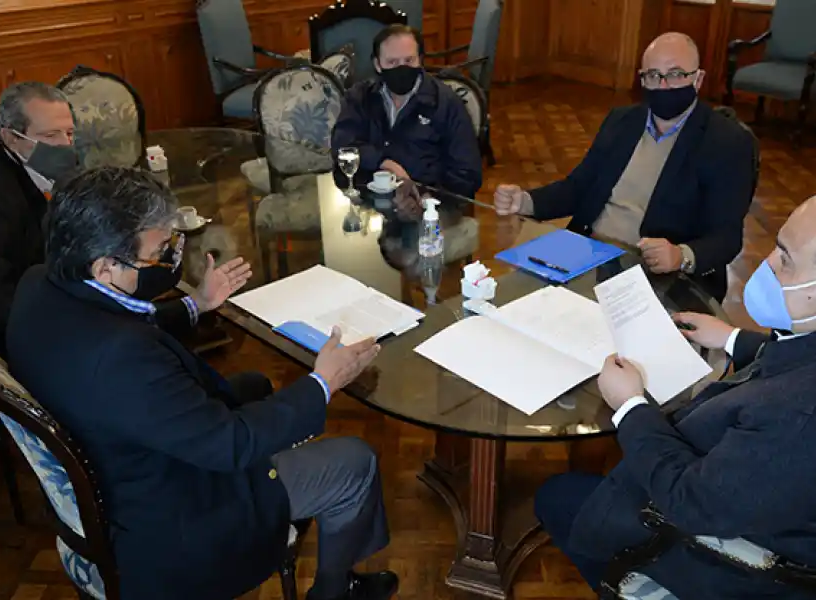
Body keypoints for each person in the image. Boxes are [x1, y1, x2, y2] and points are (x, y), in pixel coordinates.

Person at [6, 167, 397, 600]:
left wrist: (197, 305)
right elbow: (228, 445)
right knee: (354, 462)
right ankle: (333, 592)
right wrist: (323, 382)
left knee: (253, 384)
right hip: (176, 523)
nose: (173, 257)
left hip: (121, 464)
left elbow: (123, 320)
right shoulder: (119, 358)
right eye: (159, 250)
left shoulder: (39, 284)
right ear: (106, 267)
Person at [534, 195, 816, 599]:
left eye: (786, 258)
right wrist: (733, 338)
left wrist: (631, 406)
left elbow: (690, 503)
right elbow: (796, 360)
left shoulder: (799, 420)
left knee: (555, 496)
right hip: (748, 497)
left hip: (720, 561)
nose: (768, 262)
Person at [494, 32, 756, 302]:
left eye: (676, 74)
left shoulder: (727, 142)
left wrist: (682, 255)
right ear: (642, 79)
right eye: (653, 76)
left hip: (654, 272)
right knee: (516, 305)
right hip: (587, 251)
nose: (664, 86)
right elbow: (579, 187)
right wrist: (525, 201)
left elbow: (727, 236)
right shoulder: (622, 120)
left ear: (698, 79)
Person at [0, 82, 203, 355]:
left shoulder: (35, 168)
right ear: (11, 138)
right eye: (50, 135)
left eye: (69, 133)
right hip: (32, 336)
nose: (65, 145)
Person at [331, 24, 483, 199]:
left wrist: (427, 198)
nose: (401, 68)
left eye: (409, 61)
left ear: (420, 59)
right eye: (392, 62)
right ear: (377, 64)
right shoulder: (359, 97)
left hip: (428, 209)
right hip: (369, 203)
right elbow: (342, 147)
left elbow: (468, 174)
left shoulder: (446, 103)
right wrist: (384, 162)